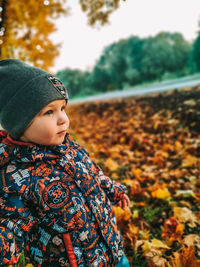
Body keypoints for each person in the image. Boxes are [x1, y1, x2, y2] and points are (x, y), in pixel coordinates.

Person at [0, 59, 130, 266]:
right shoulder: (14, 176)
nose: (63, 119)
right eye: (49, 112)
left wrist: (112, 189)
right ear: (19, 124)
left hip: (110, 246)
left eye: (62, 108)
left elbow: (93, 173)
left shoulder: (69, 147)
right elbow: (12, 222)